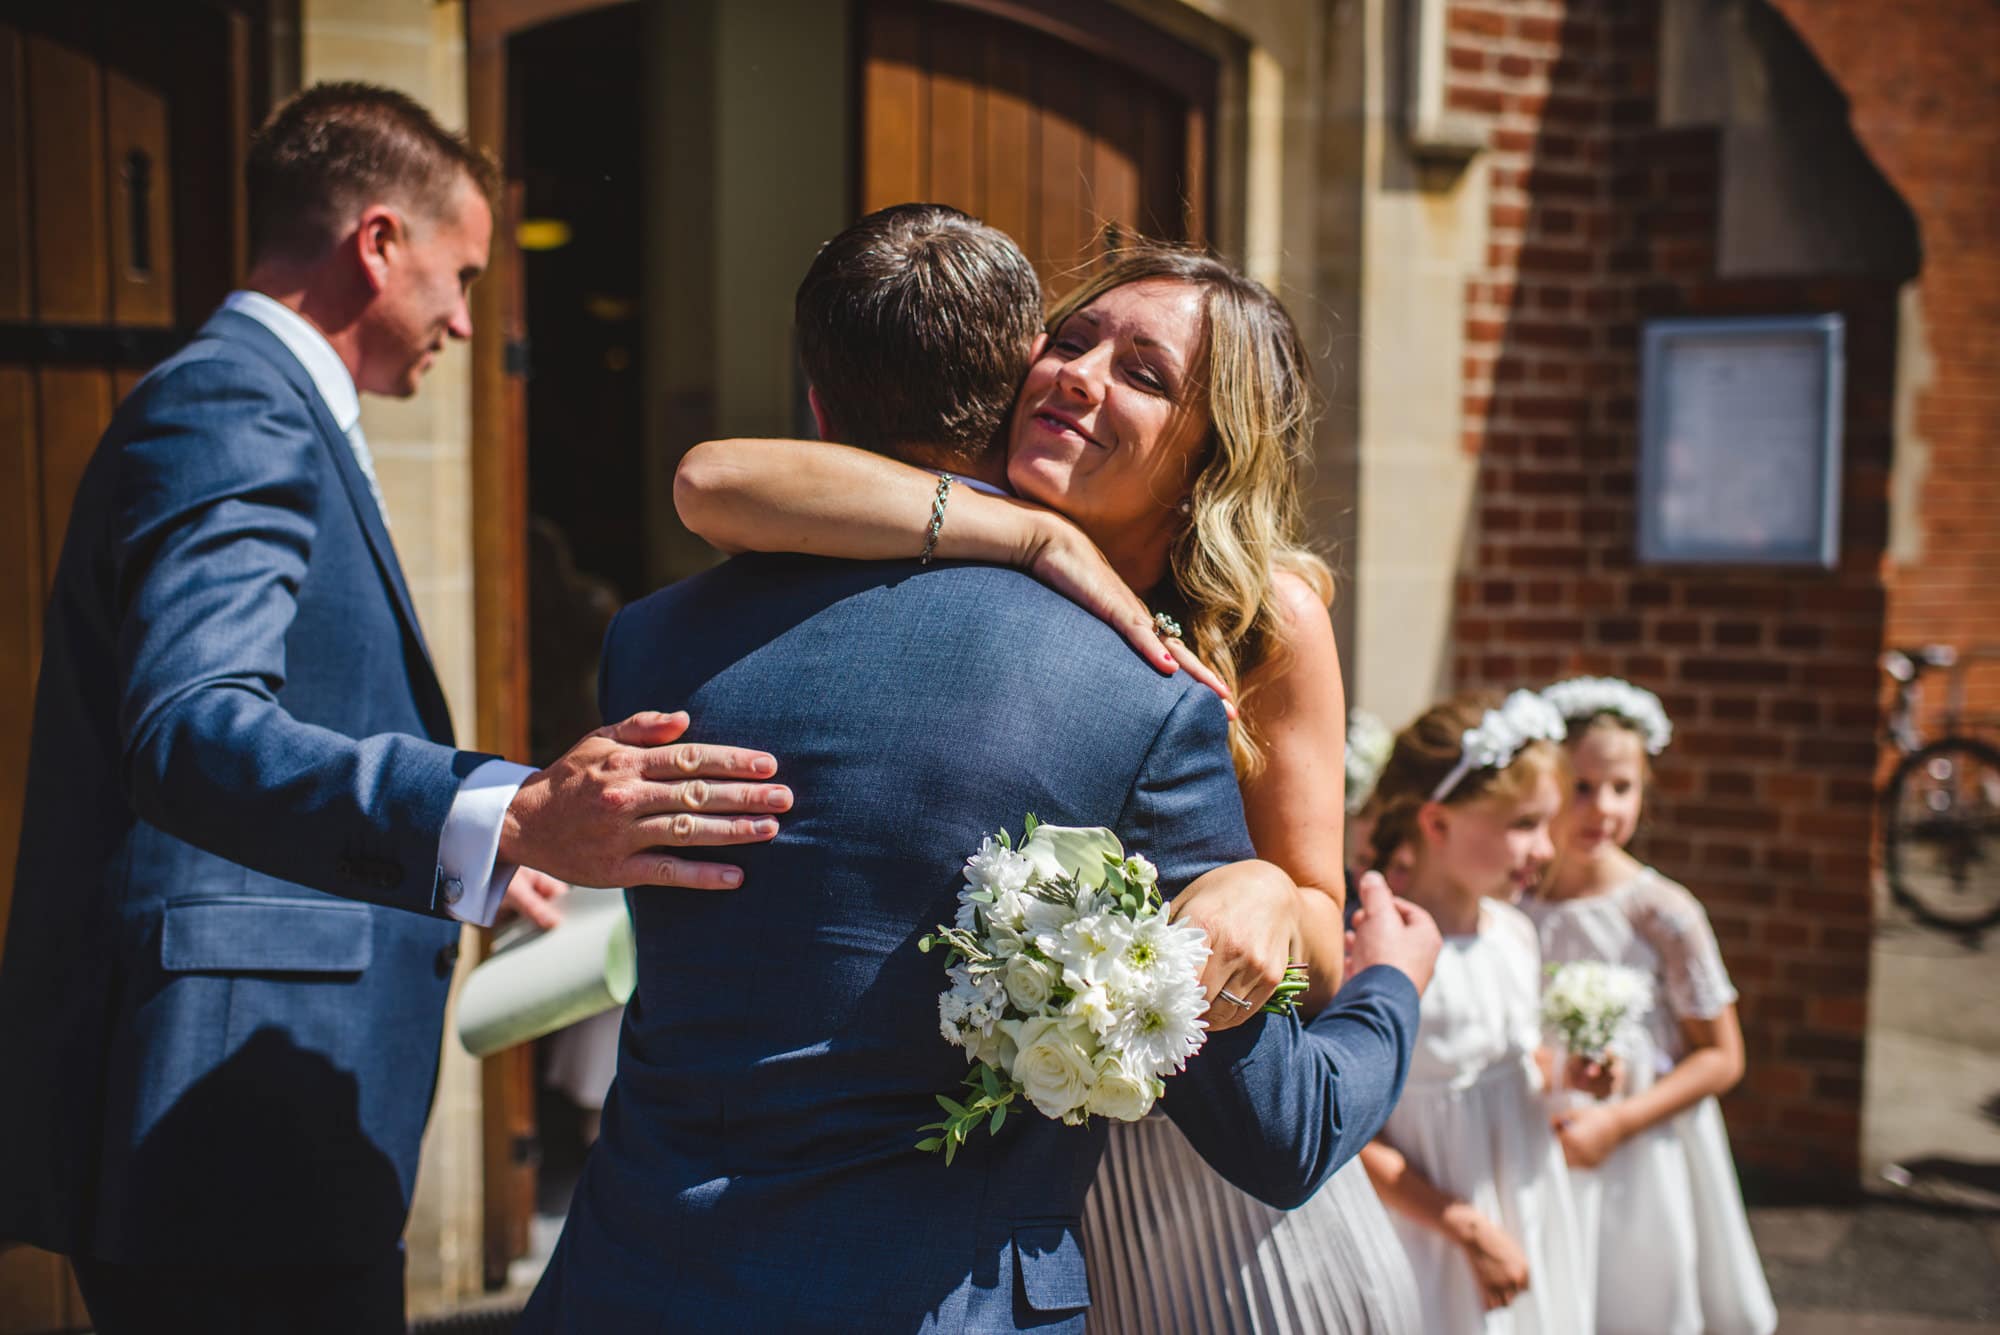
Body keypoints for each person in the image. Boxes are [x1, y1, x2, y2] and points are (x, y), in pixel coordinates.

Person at [517, 203, 1439, 1333]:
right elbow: (715, 479)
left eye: (1142, 372)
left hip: (1191, 1164)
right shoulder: (954, 531)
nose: (1079, 374)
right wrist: (1033, 536)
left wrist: (1256, 889)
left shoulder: (1259, 620)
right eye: (1068, 340)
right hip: (1021, 1199)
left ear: (1212, 453)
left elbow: (1314, 919)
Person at [0, 84, 790, 1335]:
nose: (467, 325)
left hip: (256, 1116)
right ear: (377, 244)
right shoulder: (234, 404)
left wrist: (475, 865)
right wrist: (507, 810)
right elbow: (194, 726)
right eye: (461, 275)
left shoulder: (262, 401)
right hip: (227, 1124)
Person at [1523, 678, 1777, 1335]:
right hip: (1536, 1135)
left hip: (1639, 1147)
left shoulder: (1663, 912)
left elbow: (1722, 1056)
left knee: (1633, 1296)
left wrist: (1621, 1120)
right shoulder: (1511, 905)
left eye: (1621, 787)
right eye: (1581, 786)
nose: (1601, 807)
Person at [1356, 690, 1594, 1334]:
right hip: (1429, 1233)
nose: (1545, 849)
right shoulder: (1383, 952)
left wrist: (1571, 1078)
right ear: (1436, 824)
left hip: (1527, 1205)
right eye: (1524, 825)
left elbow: (1522, 1070)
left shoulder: (1515, 933)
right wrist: (1464, 1227)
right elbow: (1353, 1137)